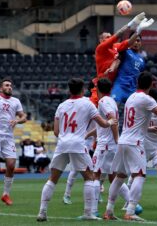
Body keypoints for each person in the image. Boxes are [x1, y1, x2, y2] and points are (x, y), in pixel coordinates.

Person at [36, 78, 117, 221]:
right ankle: (88, 213)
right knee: (90, 177)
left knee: (52, 179)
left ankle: (42, 212)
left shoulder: (61, 105)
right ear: (83, 89)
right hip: (78, 144)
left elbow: (56, 131)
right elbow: (103, 124)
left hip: (62, 144)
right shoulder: (88, 104)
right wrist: (111, 121)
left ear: (69, 90)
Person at [103, 72, 157, 221]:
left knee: (120, 176)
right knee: (139, 176)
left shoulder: (131, 98)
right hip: (135, 142)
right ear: (151, 85)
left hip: (123, 140)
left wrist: (148, 128)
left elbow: (136, 121)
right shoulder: (146, 99)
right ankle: (131, 211)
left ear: (137, 83)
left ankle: (109, 211)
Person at [90, 12, 152, 106]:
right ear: (101, 40)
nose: (110, 38)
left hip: (113, 86)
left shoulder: (116, 46)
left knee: (111, 112)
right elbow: (118, 34)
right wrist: (131, 23)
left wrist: (138, 30)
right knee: (94, 112)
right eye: (107, 37)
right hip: (101, 86)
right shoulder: (100, 48)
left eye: (110, 36)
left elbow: (129, 42)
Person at [88, 78, 130, 217]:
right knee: (113, 177)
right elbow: (105, 123)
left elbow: (112, 119)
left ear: (98, 89)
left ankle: (93, 211)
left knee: (95, 175)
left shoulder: (103, 101)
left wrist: (117, 138)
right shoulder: (112, 100)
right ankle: (132, 203)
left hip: (105, 145)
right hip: (109, 144)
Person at [111, 33, 150, 104]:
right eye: (134, 40)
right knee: (113, 107)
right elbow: (117, 61)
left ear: (141, 43)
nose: (136, 42)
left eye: (138, 41)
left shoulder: (142, 60)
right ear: (130, 41)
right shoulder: (125, 51)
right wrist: (112, 68)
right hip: (120, 86)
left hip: (133, 90)